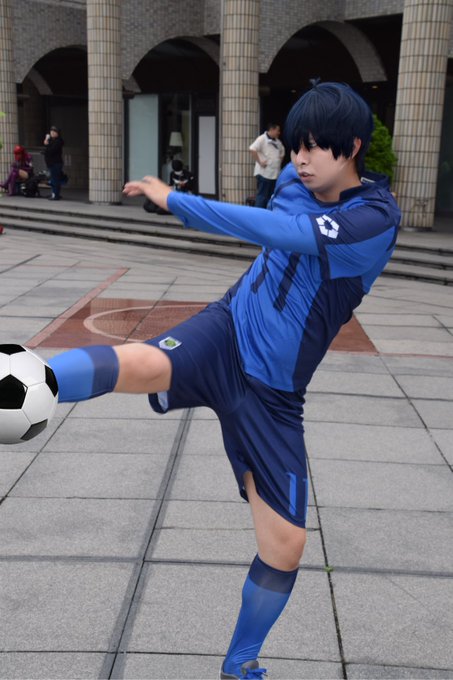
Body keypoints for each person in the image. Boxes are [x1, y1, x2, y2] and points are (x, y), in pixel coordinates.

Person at [40, 82, 399, 680]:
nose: (301, 160)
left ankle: (239, 662)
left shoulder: (374, 220)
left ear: (353, 147)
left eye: (315, 148)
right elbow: (275, 221)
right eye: (297, 146)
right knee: (146, 364)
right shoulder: (295, 182)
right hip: (227, 329)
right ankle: (27, 376)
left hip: (274, 394)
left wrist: (178, 201)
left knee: (285, 545)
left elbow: (282, 234)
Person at [249, 123, 285, 208]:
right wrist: (260, 162)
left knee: (271, 196)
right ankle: (258, 213)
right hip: (264, 173)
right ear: (272, 130)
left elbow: (282, 152)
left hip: (274, 174)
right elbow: (252, 149)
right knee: (262, 196)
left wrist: (278, 161)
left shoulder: (278, 142)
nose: (279, 133)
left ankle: (267, 212)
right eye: (277, 130)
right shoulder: (262, 139)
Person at [43, 125, 64, 200]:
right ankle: (54, 193)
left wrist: (47, 144)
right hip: (51, 163)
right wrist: (46, 141)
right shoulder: (51, 140)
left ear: (57, 133)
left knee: (55, 179)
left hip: (55, 163)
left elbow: (52, 150)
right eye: (51, 131)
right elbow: (48, 149)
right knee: (53, 179)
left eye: (54, 132)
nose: (52, 133)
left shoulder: (58, 141)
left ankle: (55, 195)